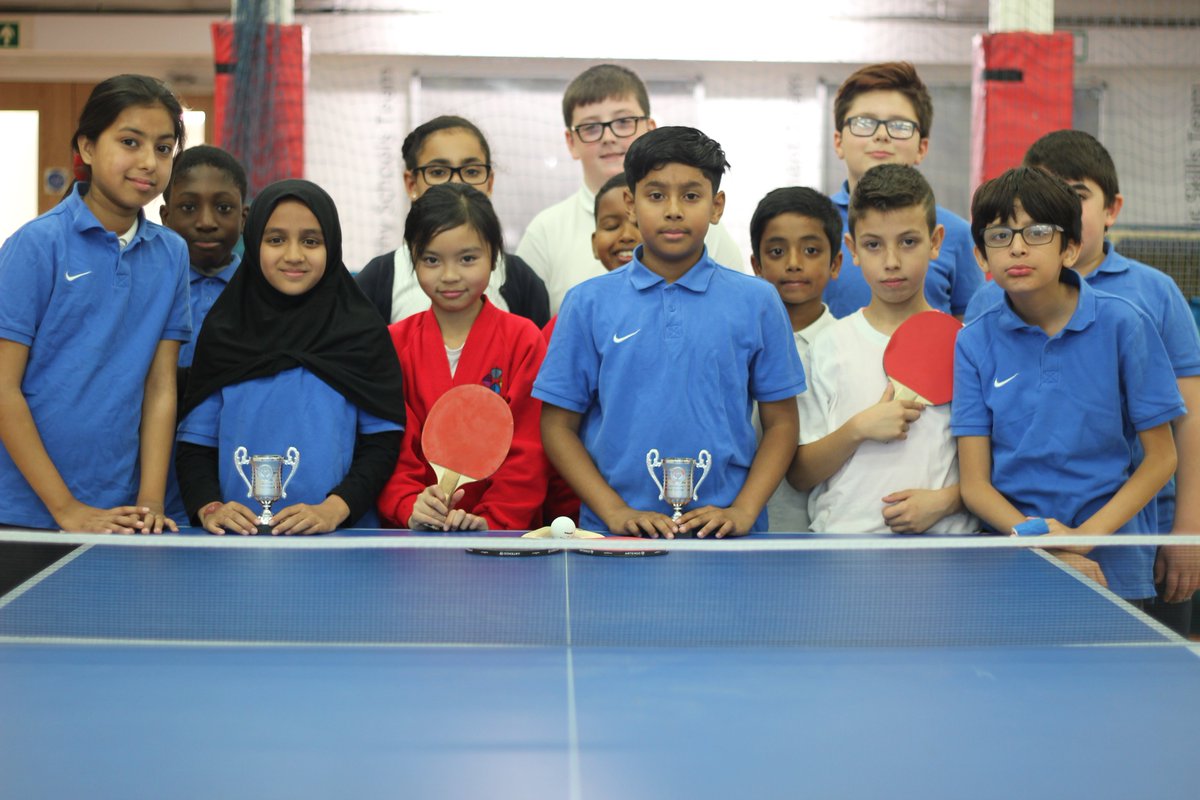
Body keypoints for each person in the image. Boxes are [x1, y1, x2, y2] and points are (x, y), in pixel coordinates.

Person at [963, 130, 1200, 629]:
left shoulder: (1127, 320)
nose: (1019, 247)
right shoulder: (974, 337)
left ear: (1069, 248)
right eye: (1001, 236)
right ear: (982, 258)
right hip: (1012, 561)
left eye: (1038, 232)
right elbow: (975, 484)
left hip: (1114, 561)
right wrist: (1045, 543)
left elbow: (1162, 457)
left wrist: (1080, 539)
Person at [535, 126, 804, 538]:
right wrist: (614, 511)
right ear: (630, 203)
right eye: (656, 195)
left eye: (691, 196)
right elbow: (556, 426)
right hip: (614, 539)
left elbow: (782, 424)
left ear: (716, 206)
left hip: (726, 540)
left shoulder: (758, 301)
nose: (674, 210)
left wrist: (744, 511)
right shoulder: (587, 303)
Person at [0, 74, 191, 533]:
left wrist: (148, 501)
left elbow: (160, 386)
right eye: (130, 141)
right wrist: (66, 509)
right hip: (24, 513)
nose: (148, 161)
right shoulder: (36, 245)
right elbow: (3, 387)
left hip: (119, 512)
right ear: (87, 148)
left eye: (163, 149)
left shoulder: (172, 254)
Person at [176, 179, 405, 534]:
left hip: (342, 545)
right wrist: (209, 507)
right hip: (239, 547)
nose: (294, 254)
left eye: (311, 241)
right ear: (253, 243)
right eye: (276, 239)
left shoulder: (361, 334)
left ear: (333, 245)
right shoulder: (225, 332)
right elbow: (195, 446)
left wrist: (334, 509)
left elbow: (382, 444)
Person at [789, 164, 976, 534]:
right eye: (874, 245)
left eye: (908, 242)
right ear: (852, 249)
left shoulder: (968, 346)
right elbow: (800, 473)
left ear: (936, 241)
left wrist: (943, 502)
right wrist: (858, 428)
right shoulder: (827, 346)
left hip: (947, 552)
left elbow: (995, 471)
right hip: (844, 546)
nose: (891, 261)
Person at [377, 184, 548, 531]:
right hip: (415, 539)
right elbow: (390, 443)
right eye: (432, 260)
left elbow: (528, 453)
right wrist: (410, 504)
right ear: (412, 257)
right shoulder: (394, 344)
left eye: (468, 258)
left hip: (502, 540)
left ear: (495, 256)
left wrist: (494, 519)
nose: (450, 275)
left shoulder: (524, 340)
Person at [517, 64, 744, 313]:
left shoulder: (698, 226)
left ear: (650, 128)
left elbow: (736, 309)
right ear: (571, 142)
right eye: (591, 128)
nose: (608, 137)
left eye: (624, 122)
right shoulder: (544, 232)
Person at [356, 115, 549, 327]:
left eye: (472, 171)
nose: (456, 183)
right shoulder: (379, 278)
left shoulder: (521, 279)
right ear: (411, 184)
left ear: (490, 182)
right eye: (438, 172)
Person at [824, 62, 982, 319]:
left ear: (922, 147)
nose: (882, 135)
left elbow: (970, 336)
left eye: (899, 126)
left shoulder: (957, 234)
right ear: (839, 142)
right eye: (865, 122)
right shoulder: (814, 226)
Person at [159, 145, 249, 523]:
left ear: (244, 217)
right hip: (153, 477)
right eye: (188, 207)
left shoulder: (260, 293)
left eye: (224, 208)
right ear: (165, 216)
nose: (207, 221)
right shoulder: (150, 288)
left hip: (231, 481)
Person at [748, 187, 842, 532]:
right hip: (739, 527)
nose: (793, 263)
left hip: (824, 529)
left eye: (811, 250)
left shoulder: (847, 346)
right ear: (756, 264)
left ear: (836, 263)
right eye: (776, 251)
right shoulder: (738, 343)